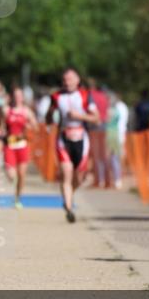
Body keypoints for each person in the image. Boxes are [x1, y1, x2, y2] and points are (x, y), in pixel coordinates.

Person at [46, 67, 100, 223]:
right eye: (64, 80)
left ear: (77, 80)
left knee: (79, 178)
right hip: (64, 139)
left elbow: (96, 119)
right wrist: (50, 113)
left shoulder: (85, 95)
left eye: (70, 79)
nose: (67, 82)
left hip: (82, 138)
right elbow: (48, 118)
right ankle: (69, 209)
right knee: (66, 173)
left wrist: (79, 116)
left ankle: (68, 196)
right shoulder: (56, 96)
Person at [3, 86, 37, 208]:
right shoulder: (6, 110)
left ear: (22, 97)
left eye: (19, 95)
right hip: (9, 145)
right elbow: (1, 126)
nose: (17, 98)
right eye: (15, 95)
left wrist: (29, 127)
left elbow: (35, 127)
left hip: (22, 145)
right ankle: (10, 175)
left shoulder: (27, 111)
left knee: (21, 175)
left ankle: (17, 198)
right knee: (11, 176)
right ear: (12, 97)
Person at [105, 90, 129, 189]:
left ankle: (116, 179)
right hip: (117, 134)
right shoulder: (117, 108)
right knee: (114, 158)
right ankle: (115, 179)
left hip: (115, 134)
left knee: (114, 158)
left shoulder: (115, 109)